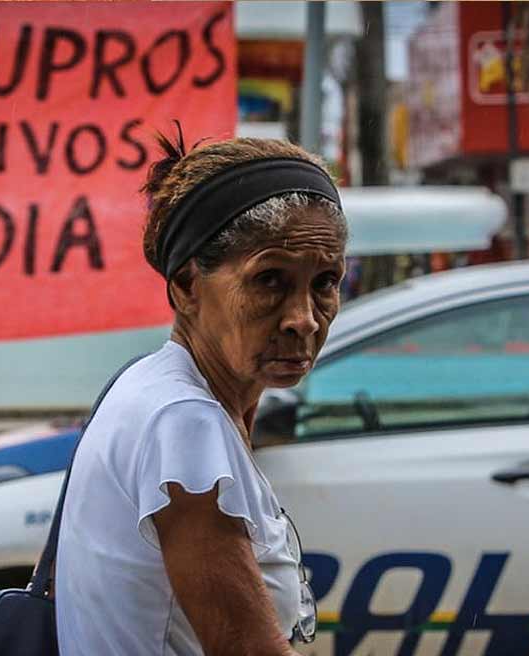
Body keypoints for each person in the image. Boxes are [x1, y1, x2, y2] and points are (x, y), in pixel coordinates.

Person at [54, 133, 348, 656]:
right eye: (270, 281)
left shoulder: (153, 386)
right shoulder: (183, 420)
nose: (303, 319)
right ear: (187, 286)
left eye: (325, 282)